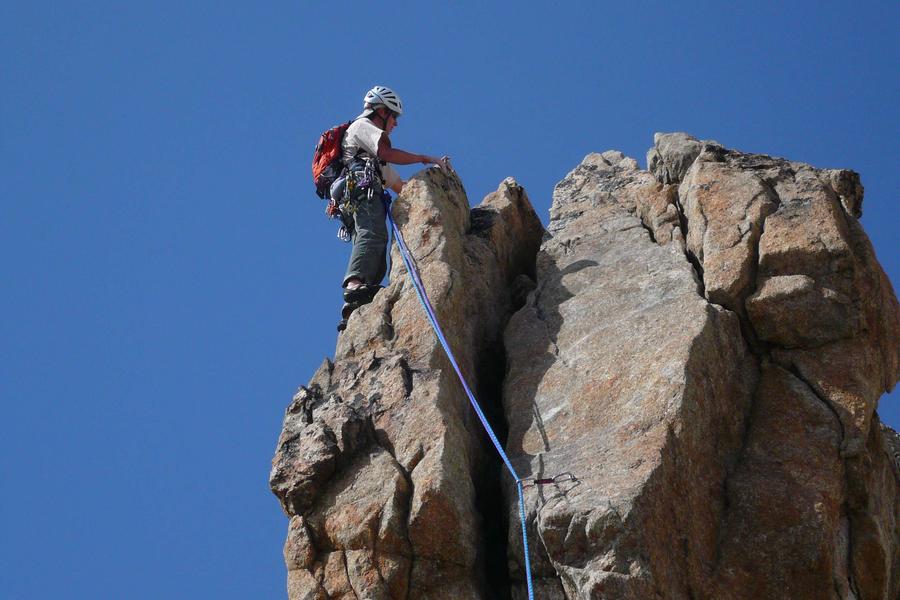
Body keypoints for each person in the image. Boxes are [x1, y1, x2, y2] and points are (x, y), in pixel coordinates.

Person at [334, 85, 449, 331]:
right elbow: (388, 151)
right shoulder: (362, 127)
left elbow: (400, 186)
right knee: (372, 235)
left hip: (358, 192)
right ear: (381, 111)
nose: (395, 123)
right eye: (393, 116)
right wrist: (426, 158)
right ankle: (355, 286)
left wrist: (438, 180)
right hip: (360, 191)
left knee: (378, 239)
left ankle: (360, 307)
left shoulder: (371, 161)